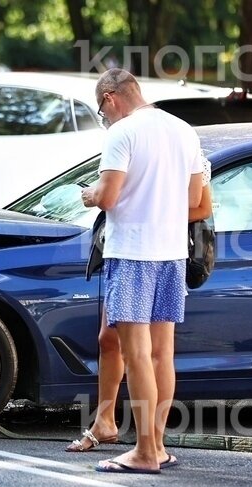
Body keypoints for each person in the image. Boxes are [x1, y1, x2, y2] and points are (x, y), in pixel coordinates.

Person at [78, 68, 204, 474]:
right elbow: (195, 199)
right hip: (171, 255)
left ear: (111, 97)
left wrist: (89, 194)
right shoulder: (184, 130)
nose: (104, 118)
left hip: (132, 253)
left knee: (136, 356)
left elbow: (109, 196)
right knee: (162, 354)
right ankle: (159, 445)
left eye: (101, 110)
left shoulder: (122, 132)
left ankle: (145, 453)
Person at [66, 160, 212, 454]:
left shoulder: (173, 142)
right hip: (124, 251)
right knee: (108, 339)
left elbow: (201, 207)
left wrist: (145, 214)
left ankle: (152, 444)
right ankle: (106, 422)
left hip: (154, 254)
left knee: (152, 352)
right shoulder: (132, 143)